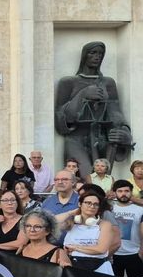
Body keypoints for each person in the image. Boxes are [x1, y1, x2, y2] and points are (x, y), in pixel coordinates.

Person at [55, 41, 133, 178]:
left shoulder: (108, 83)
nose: (97, 57)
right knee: (87, 177)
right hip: (76, 139)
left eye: (100, 54)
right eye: (93, 53)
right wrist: (83, 94)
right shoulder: (68, 82)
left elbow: (115, 112)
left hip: (100, 138)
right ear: (85, 55)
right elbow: (61, 117)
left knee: (103, 179)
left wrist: (124, 131)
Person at [61, 190, 114, 275]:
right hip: (74, 265)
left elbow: (101, 249)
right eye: (88, 203)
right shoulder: (70, 223)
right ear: (80, 204)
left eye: (96, 204)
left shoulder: (104, 224)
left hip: (99, 267)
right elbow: (50, 223)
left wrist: (75, 248)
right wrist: (70, 213)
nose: (92, 206)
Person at [109, 179, 143, 277]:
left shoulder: (140, 209)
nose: (123, 194)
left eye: (126, 191)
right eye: (120, 191)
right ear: (115, 193)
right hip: (113, 254)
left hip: (134, 253)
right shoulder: (108, 208)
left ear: (131, 193)